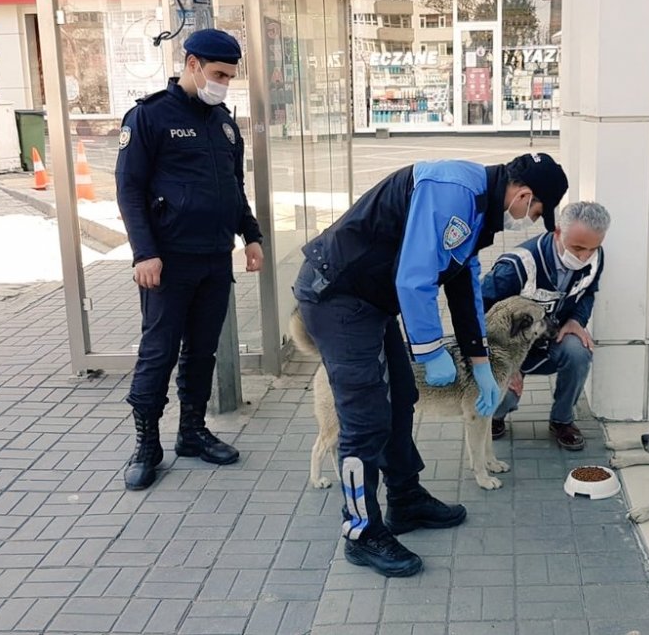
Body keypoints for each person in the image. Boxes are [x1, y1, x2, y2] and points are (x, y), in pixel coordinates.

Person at [294, 152, 568, 577]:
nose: (530, 220)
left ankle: (405, 501)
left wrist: (478, 358)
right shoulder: (454, 191)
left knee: (402, 397)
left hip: (370, 300)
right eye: (535, 212)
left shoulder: (479, 205)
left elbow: (463, 284)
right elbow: (414, 277)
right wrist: (429, 350)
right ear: (525, 194)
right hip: (338, 296)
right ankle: (361, 531)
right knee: (365, 419)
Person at [115, 29, 264, 491]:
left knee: (202, 352)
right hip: (168, 263)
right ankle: (146, 445)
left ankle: (192, 433)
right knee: (158, 354)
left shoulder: (223, 123)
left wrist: (252, 235)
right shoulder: (150, 116)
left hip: (214, 259)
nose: (225, 83)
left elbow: (233, 188)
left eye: (231, 76)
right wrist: (145, 252)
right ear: (193, 63)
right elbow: (129, 190)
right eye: (219, 73)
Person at [481, 201, 610, 451]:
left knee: (579, 350)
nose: (584, 257)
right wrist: (502, 363)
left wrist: (576, 321)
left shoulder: (595, 257)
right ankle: (494, 415)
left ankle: (562, 420)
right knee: (502, 393)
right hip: (508, 346)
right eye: (577, 248)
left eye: (592, 249)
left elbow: (588, 292)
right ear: (557, 232)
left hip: (550, 338)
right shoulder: (516, 266)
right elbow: (478, 311)